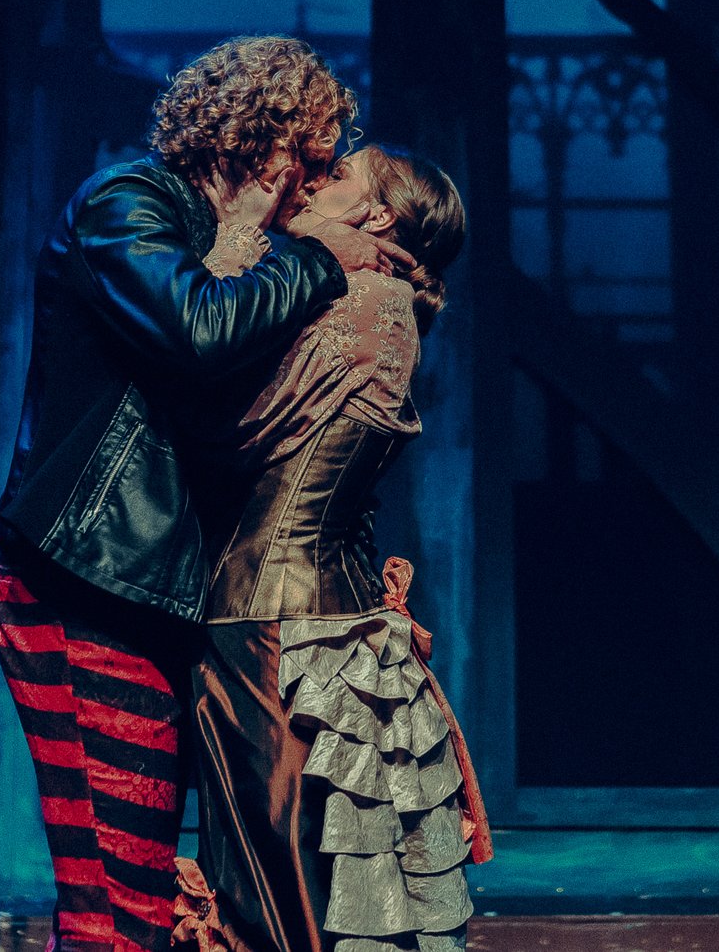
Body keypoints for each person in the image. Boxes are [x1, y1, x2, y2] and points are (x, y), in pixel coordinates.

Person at [0, 36, 408, 952]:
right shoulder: (125, 203)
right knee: (117, 900)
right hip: (83, 583)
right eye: (314, 156)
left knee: (129, 895)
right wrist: (323, 260)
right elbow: (197, 331)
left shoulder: (233, 249)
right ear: (258, 142)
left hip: (146, 594)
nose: (320, 181)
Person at [174, 144, 490, 952]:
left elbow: (221, 421)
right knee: (304, 870)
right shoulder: (366, 291)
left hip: (275, 623)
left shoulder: (359, 296)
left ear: (379, 215)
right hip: (320, 620)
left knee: (282, 884)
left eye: (340, 175)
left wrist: (237, 243)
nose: (315, 181)